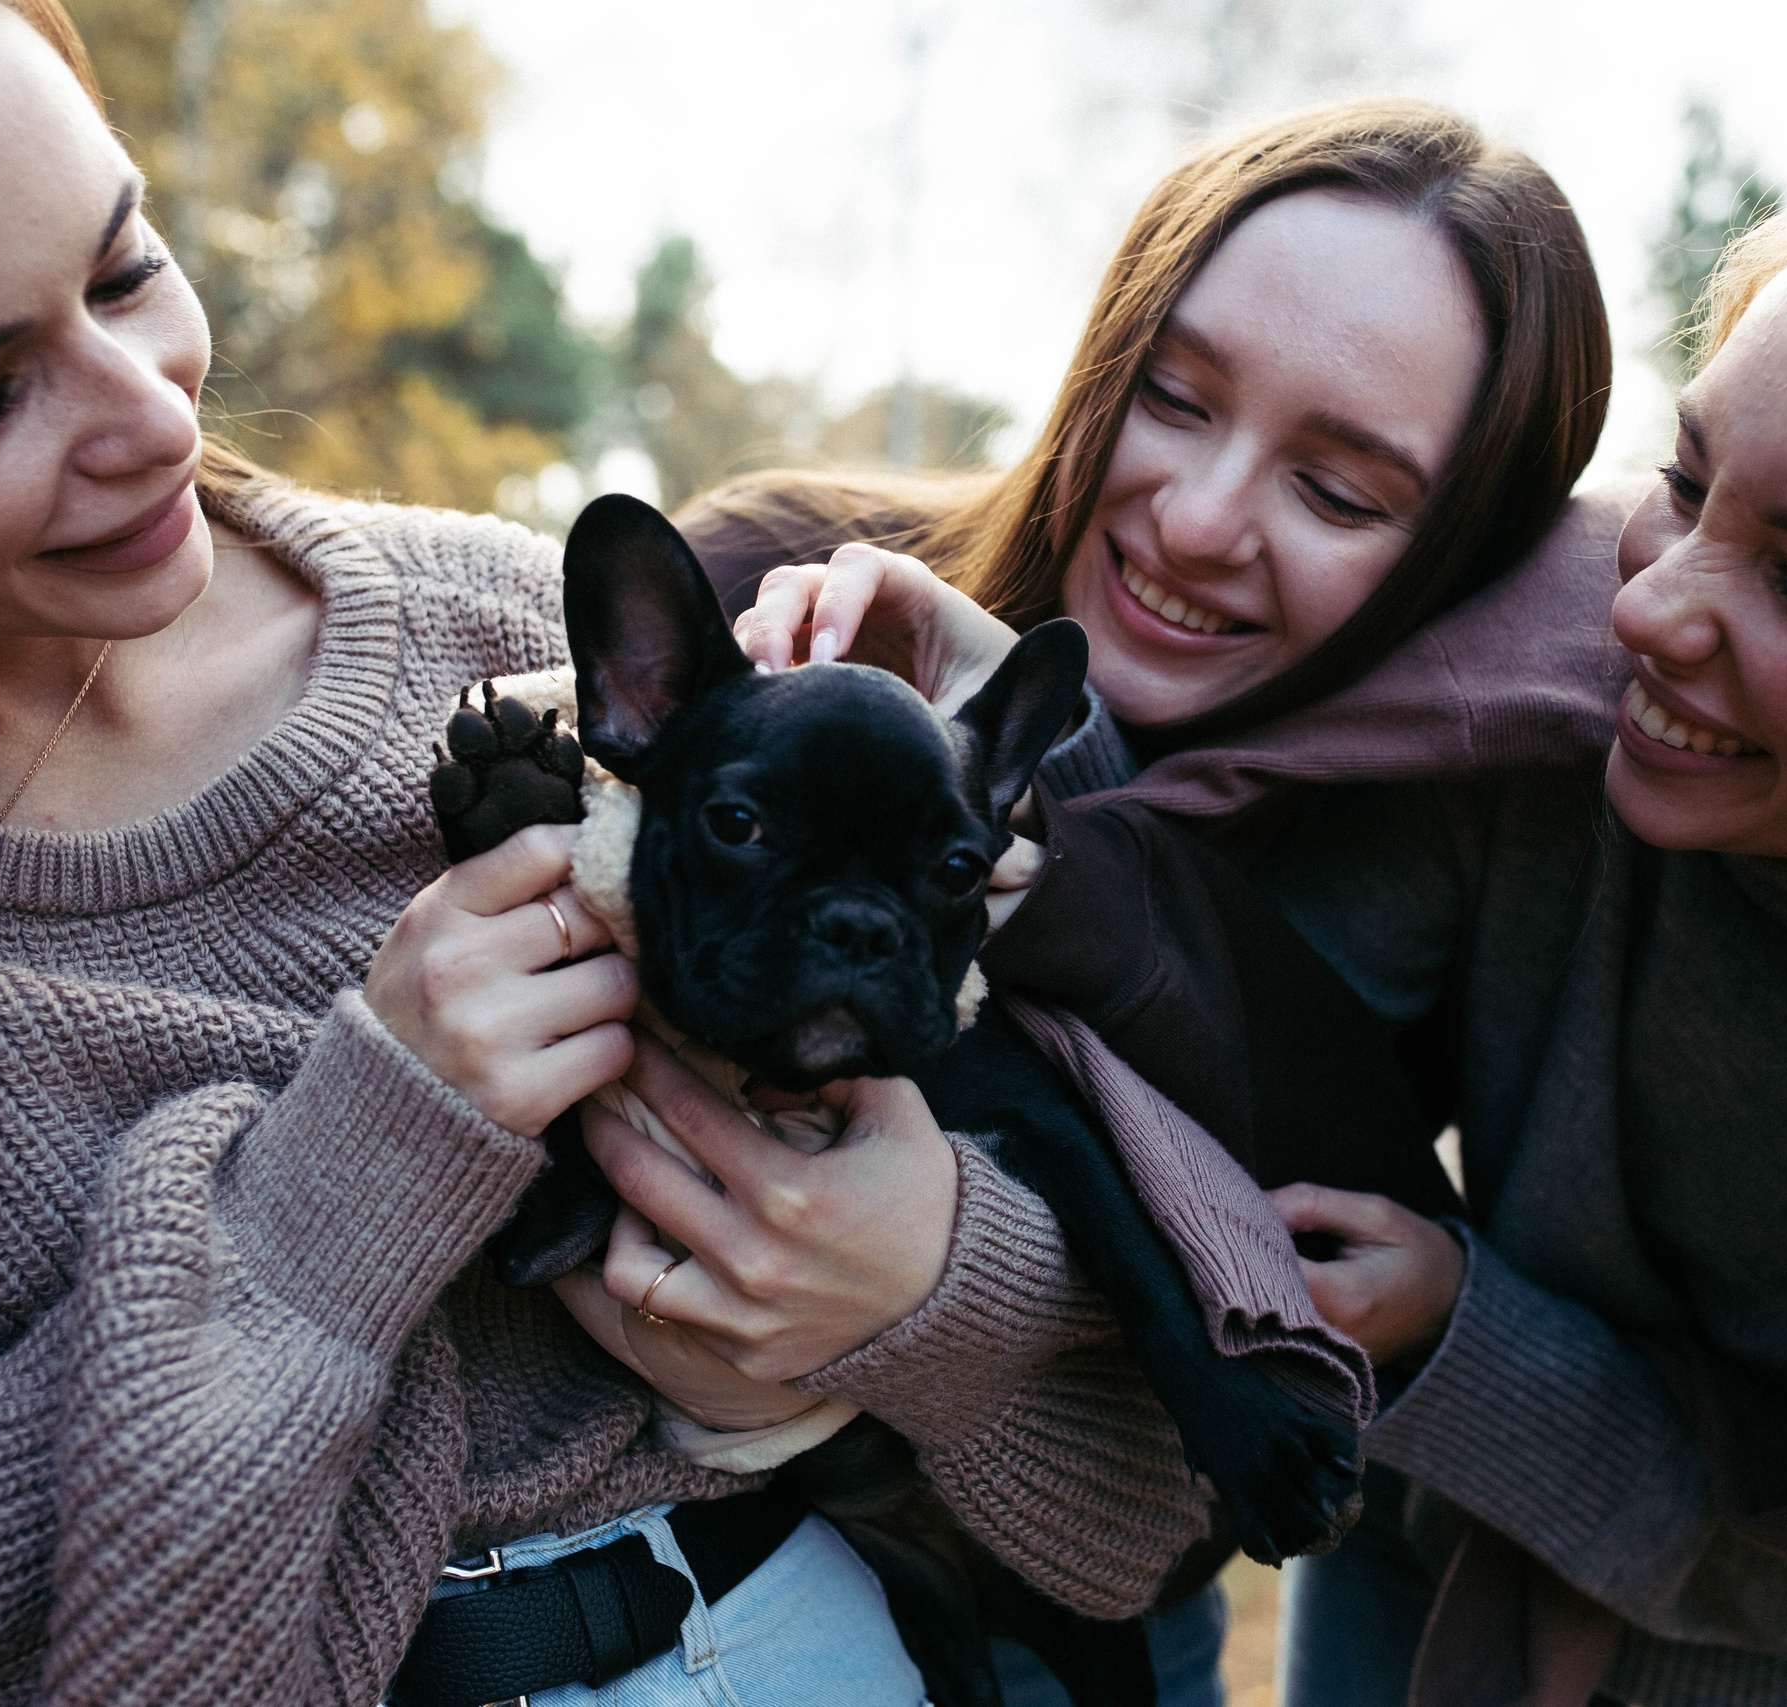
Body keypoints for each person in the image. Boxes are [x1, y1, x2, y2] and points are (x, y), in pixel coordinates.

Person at [0, 3, 1218, 1702]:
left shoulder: (516, 632)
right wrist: (322, 1210)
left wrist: (930, 1281)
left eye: (129, 268)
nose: (146, 413)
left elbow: (1164, 1471)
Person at [763, 120, 1787, 1707]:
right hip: (1424, 1567)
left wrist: (1484, 1358)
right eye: (1685, 484)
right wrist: (1002, 738)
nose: (1647, 609)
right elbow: (1221, 1020)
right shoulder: (1557, 721)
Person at [688, 97, 1619, 1702]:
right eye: (1171, 398)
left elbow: (1323, 1354)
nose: (1194, 520)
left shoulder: (1440, 840)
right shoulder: (772, 591)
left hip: (1103, 1625)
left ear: (1459, 557)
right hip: (680, 1594)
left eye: (1340, 495)